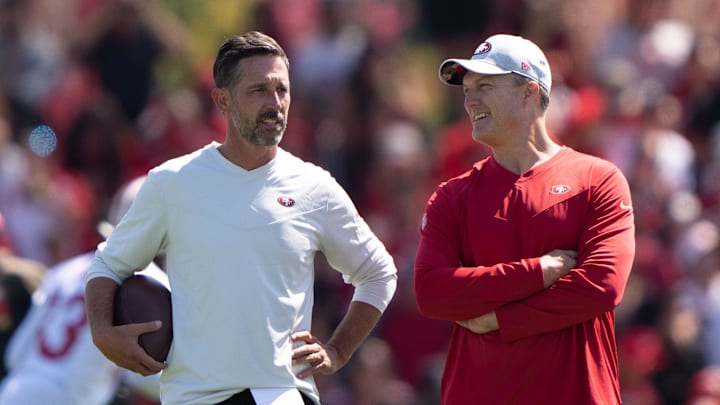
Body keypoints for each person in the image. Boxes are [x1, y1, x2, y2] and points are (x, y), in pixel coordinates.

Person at [84, 31, 398, 405]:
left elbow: (379, 273)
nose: (275, 103)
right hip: (195, 397)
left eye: (282, 90)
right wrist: (102, 331)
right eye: (259, 90)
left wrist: (338, 351)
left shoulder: (315, 186)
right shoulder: (172, 183)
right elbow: (107, 264)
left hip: (281, 393)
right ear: (222, 99)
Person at [414, 34, 636, 404]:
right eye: (467, 89)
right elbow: (432, 293)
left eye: (485, 85)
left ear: (529, 92)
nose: (470, 100)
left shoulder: (598, 180)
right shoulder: (452, 196)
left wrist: (500, 321)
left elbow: (602, 285)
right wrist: (539, 271)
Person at [0, 177, 162, 405]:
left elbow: (15, 354)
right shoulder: (148, 285)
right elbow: (143, 374)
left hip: (15, 391)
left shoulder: (64, 271)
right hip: (69, 398)